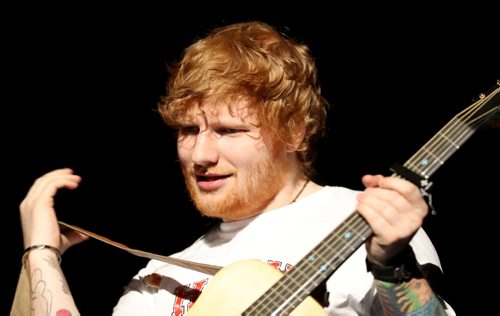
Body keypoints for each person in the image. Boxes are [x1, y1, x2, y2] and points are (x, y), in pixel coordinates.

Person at [18, 21, 455, 315]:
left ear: (296, 133)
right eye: (189, 129)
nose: (200, 154)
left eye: (228, 130)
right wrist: (42, 254)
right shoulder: (160, 277)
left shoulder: (367, 222)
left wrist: (391, 265)